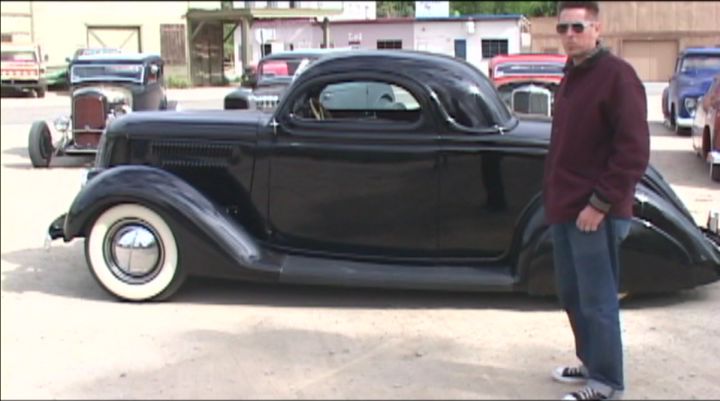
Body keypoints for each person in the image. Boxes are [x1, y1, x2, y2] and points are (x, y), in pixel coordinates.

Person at [543, 1, 650, 400]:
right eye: (563, 29)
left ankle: (607, 384)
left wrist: (600, 204)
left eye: (577, 27)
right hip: (565, 207)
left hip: (596, 213)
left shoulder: (617, 77)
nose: (569, 35)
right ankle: (591, 362)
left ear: (597, 29)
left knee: (598, 300)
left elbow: (633, 152)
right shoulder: (572, 74)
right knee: (572, 294)